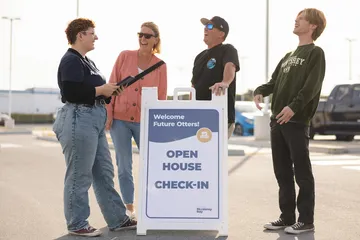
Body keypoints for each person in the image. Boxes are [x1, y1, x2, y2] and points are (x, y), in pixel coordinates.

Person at [53, 18, 137, 237]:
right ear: (80, 35)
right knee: (80, 175)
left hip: (93, 120)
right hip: (78, 120)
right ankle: (77, 223)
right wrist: (101, 90)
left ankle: (117, 219)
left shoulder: (86, 61)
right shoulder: (71, 60)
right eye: (92, 33)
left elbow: (92, 90)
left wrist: (108, 92)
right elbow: (70, 94)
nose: (96, 37)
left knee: (103, 173)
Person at [253, 8, 326, 234]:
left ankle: (306, 220)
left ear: (313, 26)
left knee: (302, 172)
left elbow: (311, 87)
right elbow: (274, 82)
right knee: (282, 172)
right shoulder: (288, 56)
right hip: (278, 122)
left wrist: (293, 108)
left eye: (301, 19)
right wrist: (259, 90)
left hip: (296, 121)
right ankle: (286, 217)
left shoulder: (315, 53)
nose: (296, 21)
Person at [106, 22, 167, 219]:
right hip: (120, 120)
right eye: (140, 35)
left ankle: (154, 204)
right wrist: (108, 113)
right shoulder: (125, 56)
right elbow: (112, 84)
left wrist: (159, 124)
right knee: (124, 165)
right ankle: (129, 207)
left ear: (155, 39)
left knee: (152, 163)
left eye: (147, 36)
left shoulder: (160, 66)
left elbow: (162, 97)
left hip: (146, 121)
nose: (143, 39)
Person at [191, 16, 240, 138]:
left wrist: (225, 83)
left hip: (219, 115)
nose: (205, 29)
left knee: (214, 156)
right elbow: (193, 85)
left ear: (221, 33)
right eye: (205, 26)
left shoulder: (228, 49)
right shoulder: (199, 57)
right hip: (198, 117)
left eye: (210, 26)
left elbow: (230, 67)